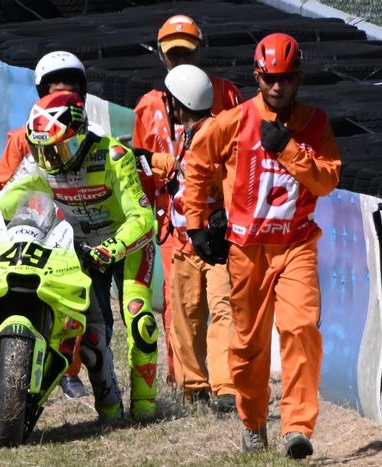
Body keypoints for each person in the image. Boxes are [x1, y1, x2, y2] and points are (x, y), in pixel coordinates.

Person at [182, 33, 341, 459]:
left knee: (301, 329)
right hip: (246, 250)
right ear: (257, 77)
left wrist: (288, 150)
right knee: (249, 346)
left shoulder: (316, 123)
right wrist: (196, 225)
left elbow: (326, 181)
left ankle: (296, 427)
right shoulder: (233, 121)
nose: (278, 86)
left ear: (298, 78)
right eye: (270, 78)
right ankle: (253, 422)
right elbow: (197, 164)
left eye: (286, 78)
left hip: (296, 245)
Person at [0, 90, 158, 420]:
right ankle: (110, 411)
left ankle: (145, 407)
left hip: (126, 243)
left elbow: (143, 219)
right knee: (91, 334)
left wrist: (112, 248)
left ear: (80, 135)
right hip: (81, 247)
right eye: (41, 151)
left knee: (139, 317)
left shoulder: (114, 156)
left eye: (59, 150)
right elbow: (6, 200)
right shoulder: (39, 163)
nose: (51, 162)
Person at [132, 14, 243, 388]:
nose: (180, 59)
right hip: (174, 222)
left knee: (224, 303)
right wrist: (145, 212)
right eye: (173, 53)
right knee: (180, 306)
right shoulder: (149, 105)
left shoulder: (226, 94)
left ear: (199, 51)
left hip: (218, 221)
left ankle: (225, 383)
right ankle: (182, 379)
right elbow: (143, 165)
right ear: (161, 54)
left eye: (186, 52)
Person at [0, 50, 89, 399]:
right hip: (29, 227)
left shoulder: (89, 136)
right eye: (55, 89)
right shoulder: (22, 137)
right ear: (41, 93)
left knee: (71, 299)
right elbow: (1, 188)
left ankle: (68, 368)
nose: (63, 95)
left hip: (71, 230)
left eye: (71, 89)